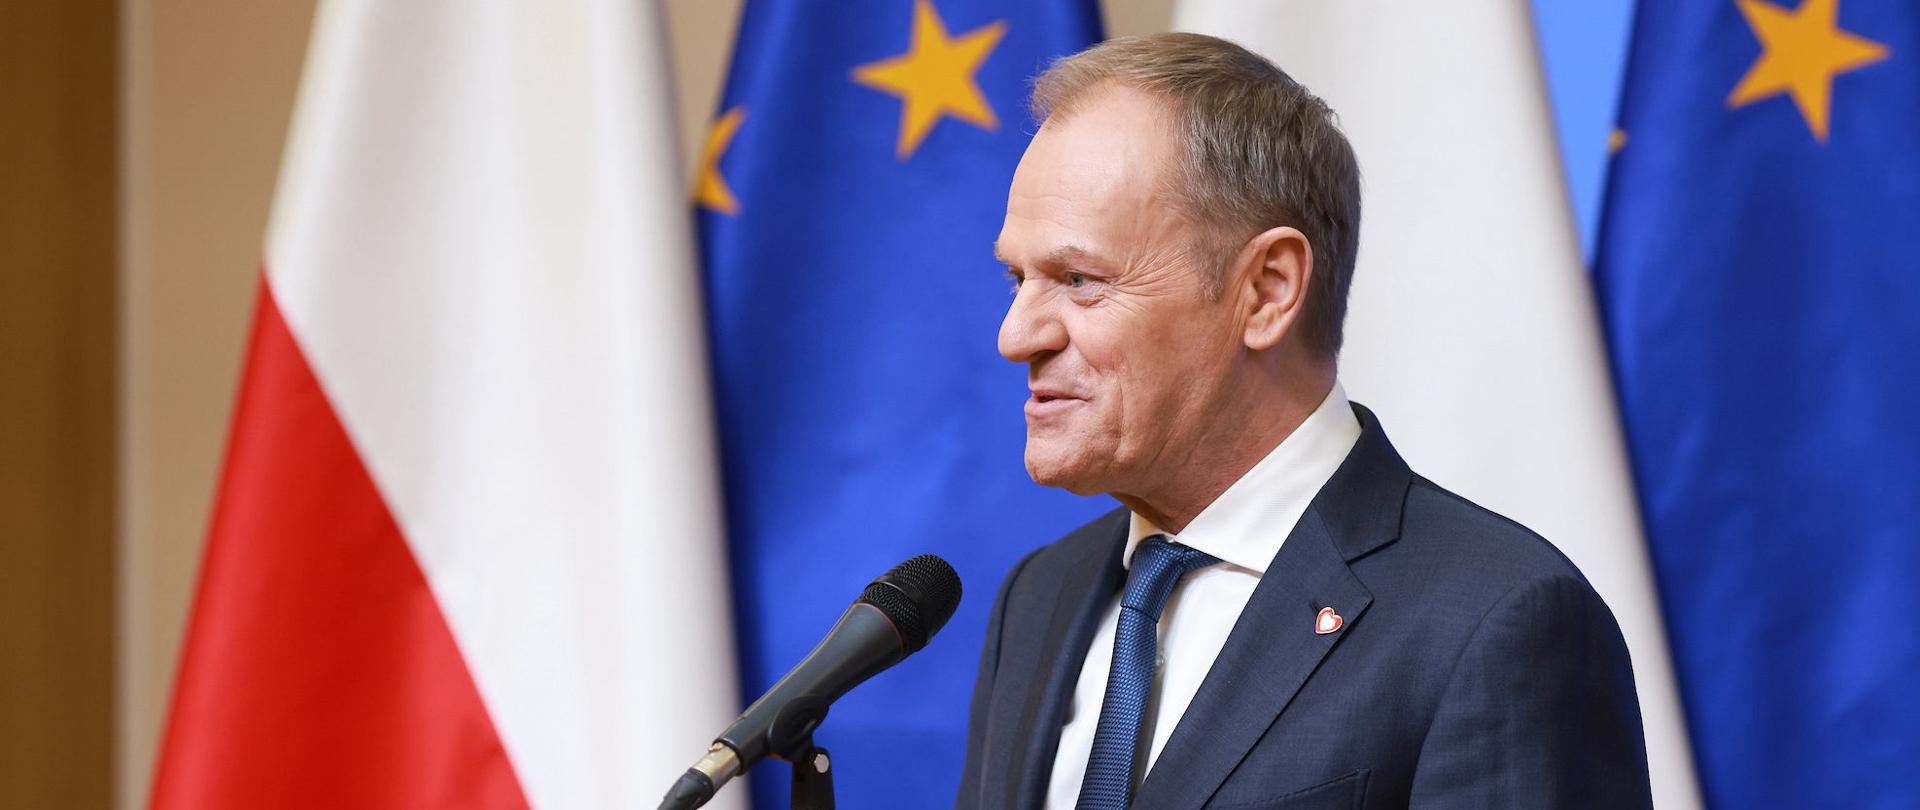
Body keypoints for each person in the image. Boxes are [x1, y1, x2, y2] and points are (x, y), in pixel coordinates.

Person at [957, 33, 1653, 809]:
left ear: (1267, 290)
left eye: (1078, 280)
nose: (1015, 335)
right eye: (1017, 277)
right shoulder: (1039, 596)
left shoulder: (1497, 621)